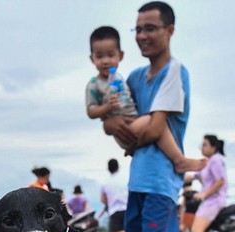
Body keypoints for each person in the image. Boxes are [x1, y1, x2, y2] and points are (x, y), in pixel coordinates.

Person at [106, 1, 188, 232]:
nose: (142, 36)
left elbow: (155, 128)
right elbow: (116, 123)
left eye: (151, 28)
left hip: (161, 180)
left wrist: (124, 131)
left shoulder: (175, 72)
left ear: (169, 31)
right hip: (137, 178)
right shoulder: (136, 78)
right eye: (138, 29)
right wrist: (112, 126)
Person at [86, 25, 205, 174]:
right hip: (125, 129)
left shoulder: (121, 78)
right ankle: (179, 159)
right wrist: (107, 111)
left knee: (156, 124)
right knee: (153, 121)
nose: (105, 61)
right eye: (99, 56)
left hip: (133, 123)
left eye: (110, 55)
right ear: (92, 58)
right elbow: (91, 111)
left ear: (120, 56)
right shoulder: (94, 84)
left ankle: (177, 159)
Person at [185, 134, 228, 232]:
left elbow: (220, 181)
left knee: (197, 231)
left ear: (213, 147)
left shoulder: (216, 160)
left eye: (205, 145)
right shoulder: (206, 162)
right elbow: (191, 177)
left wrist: (204, 194)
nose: (202, 147)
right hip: (208, 202)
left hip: (213, 201)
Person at [99, 159, 129, 232]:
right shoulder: (126, 179)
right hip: (128, 211)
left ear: (108, 169)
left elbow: (103, 199)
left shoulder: (105, 183)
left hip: (115, 213)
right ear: (118, 167)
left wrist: (110, 202)